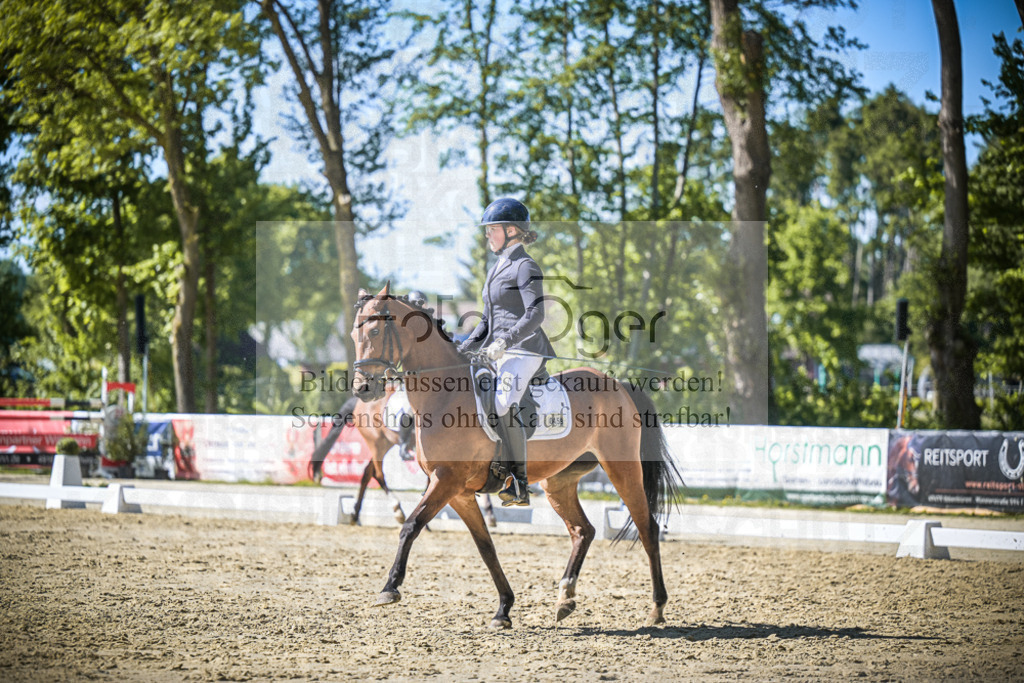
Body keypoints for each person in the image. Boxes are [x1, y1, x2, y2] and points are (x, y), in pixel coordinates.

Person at [457, 198, 555, 506]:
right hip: (497, 351)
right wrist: (463, 350)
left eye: (493, 229)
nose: (488, 234)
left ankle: (520, 483)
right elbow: (487, 322)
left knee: (502, 403)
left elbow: (535, 314)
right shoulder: (496, 268)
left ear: (512, 231)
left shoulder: (526, 266)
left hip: (524, 350)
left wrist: (505, 341)